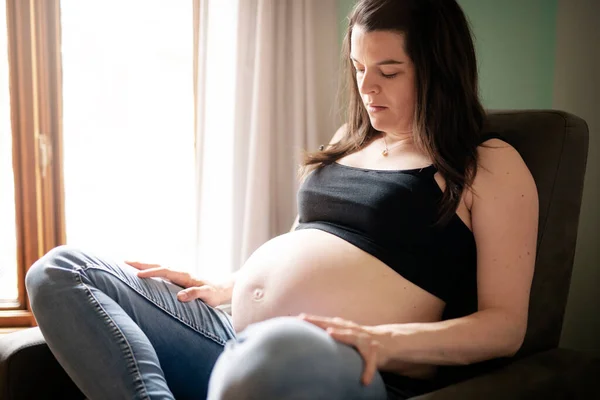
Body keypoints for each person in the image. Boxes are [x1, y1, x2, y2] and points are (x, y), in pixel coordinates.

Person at [25, 0, 539, 399]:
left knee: (273, 355)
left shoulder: (486, 165)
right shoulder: (351, 140)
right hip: (232, 337)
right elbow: (309, 243)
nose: (367, 87)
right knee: (59, 271)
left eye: (389, 71)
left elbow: (504, 327)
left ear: (438, 70)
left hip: (335, 362)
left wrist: (382, 341)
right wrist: (228, 285)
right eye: (358, 68)